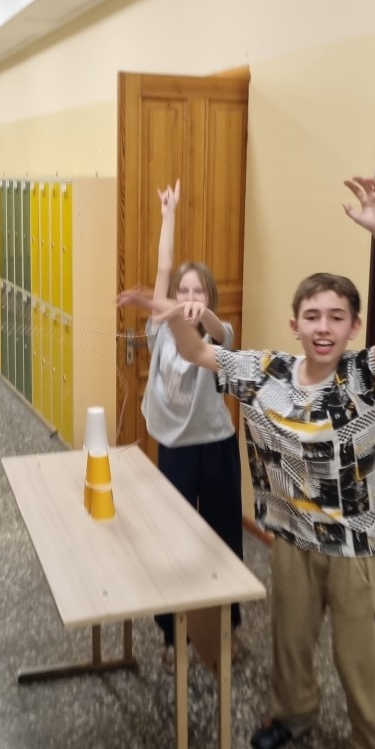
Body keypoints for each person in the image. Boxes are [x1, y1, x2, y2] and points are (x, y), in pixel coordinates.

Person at [120, 176, 375, 749]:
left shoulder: (361, 377)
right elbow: (197, 349)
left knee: (360, 658)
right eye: (312, 316)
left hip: (351, 546)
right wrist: (170, 310)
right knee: (289, 642)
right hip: (289, 536)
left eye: (336, 317)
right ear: (294, 325)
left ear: (352, 327)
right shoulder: (266, 372)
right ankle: (293, 714)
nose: (323, 327)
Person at [142, 180, 245, 670]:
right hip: (176, 449)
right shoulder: (160, 330)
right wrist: (169, 215)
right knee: (173, 542)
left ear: (208, 297)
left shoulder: (218, 337)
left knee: (223, 538)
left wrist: (207, 315)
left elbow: (223, 332)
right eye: (182, 291)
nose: (187, 297)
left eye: (196, 291)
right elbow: (163, 269)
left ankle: (227, 628)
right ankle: (172, 636)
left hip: (217, 447)